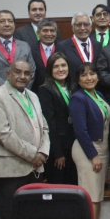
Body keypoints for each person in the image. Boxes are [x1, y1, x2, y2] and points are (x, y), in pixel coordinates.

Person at [0, 59, 49, 219]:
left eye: (27, 73)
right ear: (8, 74)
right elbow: (2, 133)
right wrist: (32, 154)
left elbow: (44, 127)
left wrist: (43, 152)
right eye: (18, 72)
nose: (22, 76)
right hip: (10, 170)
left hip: (35, 168)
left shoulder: (33, 96)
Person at [69, 62, 110, 219]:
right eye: (84, 75)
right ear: (78, 80)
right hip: (88, 150)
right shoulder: (78, 98)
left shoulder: (99, 94)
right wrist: (93, 155)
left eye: (92, 74)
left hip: (103, 148)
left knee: (98, 196)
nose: (89, 78)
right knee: (91, 197)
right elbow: (80, 130)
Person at [37, 52, 78, 185]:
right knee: (59, 186)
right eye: (56, 66)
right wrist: (58, 153)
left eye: (63, 65)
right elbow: (50, 123)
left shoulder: (73, 87)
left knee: (73, 186)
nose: (60, 69)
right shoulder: (46, 90)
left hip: (74, 145)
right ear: (50, 70)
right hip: (59, 148)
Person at [0, 10, 36, 87]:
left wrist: (21, 89)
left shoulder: (25, 46)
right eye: (2, 21)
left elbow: (32, 71)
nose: (7, 24)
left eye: (10, 21)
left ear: (14, 25)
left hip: (21, 93)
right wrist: (8, 89)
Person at [59, 12, 102, 84]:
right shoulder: (63, 46)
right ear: (73, 28)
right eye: (78, 25)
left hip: (95, 90)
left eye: (86, 24)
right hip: (73, 90)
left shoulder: (97, 45)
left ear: (91, 27)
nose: (82, 28)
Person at [30, 18, 59, 92]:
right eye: (45, 31)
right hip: (38, 91)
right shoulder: (31, 50)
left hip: (60, 91)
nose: (49, 34)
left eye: (52, 31)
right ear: (38, 33)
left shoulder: (63, 48)